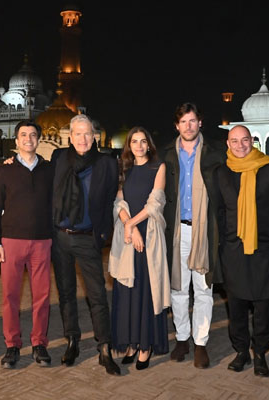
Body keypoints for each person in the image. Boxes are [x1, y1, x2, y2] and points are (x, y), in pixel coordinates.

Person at [52, 114, 121, 375]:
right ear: (70, 137)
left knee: (97, 295)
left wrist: (102, 234)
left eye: (87, 134)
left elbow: (110, 199)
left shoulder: (106, 163)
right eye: (77, 134)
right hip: (60, 237)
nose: (82, 139)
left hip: (87, 238)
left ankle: (104, 347)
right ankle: (72, 340)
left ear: (95, 137)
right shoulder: (59, 158)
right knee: (66, 293)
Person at [160, 102, 226, 369]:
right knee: (178, 288)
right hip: (175, 230)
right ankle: (182, 338)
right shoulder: (165, 154)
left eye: (192, 121)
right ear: (177, 126)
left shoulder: (216, 153)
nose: (188, 126)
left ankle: (200, 342)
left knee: (203, 289)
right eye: (183, 122)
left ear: (200, 123)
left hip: (204, 231)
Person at [218, 125, 269, 377]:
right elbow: (221, 212)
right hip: (233, 249)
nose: (240, 145)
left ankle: (260, 353)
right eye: (234, 141)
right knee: (235, 305)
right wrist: (223, 245)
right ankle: (241, 351)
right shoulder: (222, 172)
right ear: (228, 143)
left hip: (264, 248)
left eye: (244, 140)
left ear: (252, 140)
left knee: (263, 304)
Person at [0, 121, 54, 369]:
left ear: (38, 139)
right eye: (23, 135)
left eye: (33, 135)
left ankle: (39, 343)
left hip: (41, 241)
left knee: (42, 296)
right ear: (16, 141)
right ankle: (12, 345)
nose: (28, 139)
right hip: (11, 241)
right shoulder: (4, 170)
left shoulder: (49, 170)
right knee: (10, 296)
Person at [108, 127, 169, 370]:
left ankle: (145, 346)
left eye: (144, 141)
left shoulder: (159, 167)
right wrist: (129, 227)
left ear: (149, 145)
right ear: (129, 145)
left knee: (145, 290)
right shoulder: (123, 168)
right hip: (128, 237)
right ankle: (131, 342)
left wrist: (133, 225)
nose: (139, 145)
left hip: (149, 237)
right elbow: (119, 202)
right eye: (135, 141)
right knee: (127, 291)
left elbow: (155, 203)